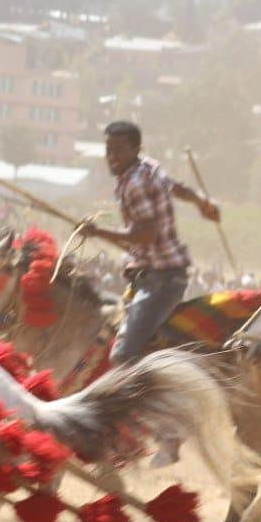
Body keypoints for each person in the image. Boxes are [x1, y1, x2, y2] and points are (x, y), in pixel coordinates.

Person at [82, 120, 220, 365]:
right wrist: (201, 202)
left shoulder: (135, 184)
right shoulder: (147, 166)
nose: (112, 157)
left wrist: (98, 232)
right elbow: (175, 187)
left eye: (119, 150)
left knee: (123, 356)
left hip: (161, 281)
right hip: (151, 275)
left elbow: (147, 235)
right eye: (108, 150)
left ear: (136, 149)